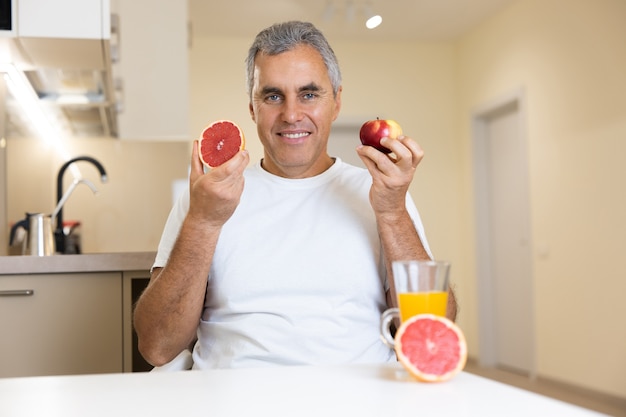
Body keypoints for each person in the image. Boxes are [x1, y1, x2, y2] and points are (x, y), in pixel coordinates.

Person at [134, 21, 457, 369]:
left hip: (357, 398)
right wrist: (203, 221)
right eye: (273, 96)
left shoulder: (383, 194)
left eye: (309, 94)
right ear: (252, 109)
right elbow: (157, 346)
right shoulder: (208, 197)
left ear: (336, 103)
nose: (291, 115)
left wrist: (392, 214)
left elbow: (431, 333)